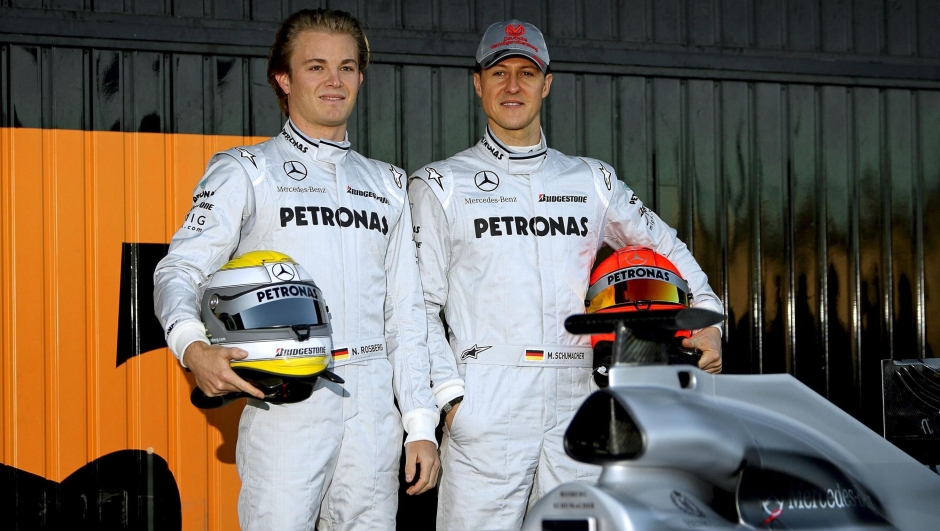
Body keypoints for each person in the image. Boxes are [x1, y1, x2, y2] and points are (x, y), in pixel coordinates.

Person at [408, 19, 724, 530]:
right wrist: (450, 400)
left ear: (547, 83)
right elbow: (417, 305)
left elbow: (664, 246)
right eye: (499, 73)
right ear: (477, 83)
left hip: (576, 392)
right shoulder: (441, 184)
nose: (513, 86)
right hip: (486, 397)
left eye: (527, 73)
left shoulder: (591, 180)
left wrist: (709, 319)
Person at [153, 9, 440, 530]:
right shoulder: (245, 170)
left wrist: (420, 423)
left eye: (347, 68)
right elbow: (178, 271)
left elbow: (408, 316)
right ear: (283, 79)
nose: (334, 81)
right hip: (285, 399)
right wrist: (193, 348)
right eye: (316, 67)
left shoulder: (389, 183)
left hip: (374, 408)